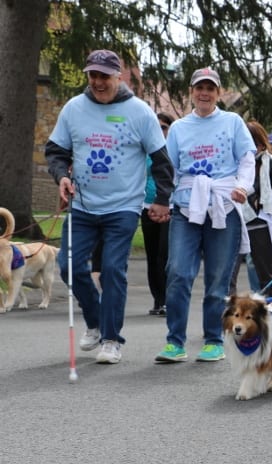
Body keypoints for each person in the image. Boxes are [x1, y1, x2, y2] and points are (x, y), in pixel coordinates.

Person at [46, 49, 174, 364]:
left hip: (123, 207)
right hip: (84, 205)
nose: (99, 82)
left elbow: (161, 161)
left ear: (118, 76)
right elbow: (56, 151)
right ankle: (96, 320)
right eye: (94, 75)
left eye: (105, 76)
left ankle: (112, 338)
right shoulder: (74, 108)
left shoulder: (140, 112)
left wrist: (162, 200)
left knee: (114, 270)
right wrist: (62, 176)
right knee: (69, 267)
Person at [154, 67, 256, 363]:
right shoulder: (180, 129)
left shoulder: (232, 122)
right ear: (191, 92)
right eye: (200, 88)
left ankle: (213, 340)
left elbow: (247, 159)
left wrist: (242, 187)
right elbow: (167, 169)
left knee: (218, 280)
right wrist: (161, 200)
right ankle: (175, 341)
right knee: (178, 273)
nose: (205, 93)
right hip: (186, 207)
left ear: (219, 93)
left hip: (223, 205)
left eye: (211, 88)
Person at [229, 120, 272, 299]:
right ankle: (230, 318)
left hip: (261, 225)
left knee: (267, 276)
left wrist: (265, 200)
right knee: (227, 275)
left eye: (255, 143)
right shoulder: (232, 164)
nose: (251, 148)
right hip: (234, 221)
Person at [142, 112, 174, 316]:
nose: (160, 130)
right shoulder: (145, 150)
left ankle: (169, 299)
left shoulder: (174, 148)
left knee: (165, 254)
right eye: (157, 126)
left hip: (171, 207)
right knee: (152, 255)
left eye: (164, 127)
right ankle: (158, 299)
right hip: (146, 207)